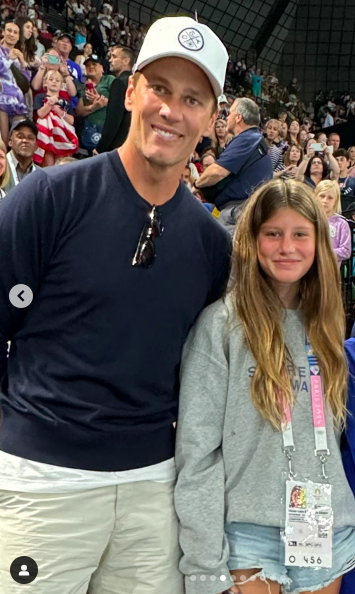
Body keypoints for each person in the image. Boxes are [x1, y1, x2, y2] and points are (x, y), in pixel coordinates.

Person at [0, 15, 231, 594]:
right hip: (41, 482)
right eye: (159, 88)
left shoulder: (211, 246)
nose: (171, 111)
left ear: (209, 119)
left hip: (153, 490)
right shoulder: (48, 198)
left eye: (192, 99)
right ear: (130, 91)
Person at [175, 177, 355, 594]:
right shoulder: (222, 325)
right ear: (252, 241)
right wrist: (204, 565)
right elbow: (196, 452)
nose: (286, 247)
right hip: (247, 533)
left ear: (319, 241)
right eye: (273, 233)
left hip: (325, 527)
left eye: (299, 234)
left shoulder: (327, 326)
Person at [194, 97, 273, 235]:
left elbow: (217, 172)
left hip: (237, 213)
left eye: (230, 113)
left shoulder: (247, 138)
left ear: (238, 117)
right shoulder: (254, 138)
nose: (227, 118)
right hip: (244, 210)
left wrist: (196, 185)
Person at [33, 69, 78, 166]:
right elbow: (40, 114)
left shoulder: (66, 101)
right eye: (51, 79)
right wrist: (50, 104)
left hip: (62, 137)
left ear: (62, 85)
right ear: (45, 82)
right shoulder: (40, 97)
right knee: (48, 164)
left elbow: (71, 120)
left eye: (57, 80)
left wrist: (58, 110)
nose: (54, 82)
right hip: (47, 136)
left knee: (60, 165)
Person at [95, 46, 134, 154]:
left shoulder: (120, 83)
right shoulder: (134, 82)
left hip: (114, 148)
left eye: (114, 57)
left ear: (126, 61)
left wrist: (101, 147)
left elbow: (113, 119)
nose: (110, 60)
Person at [0, 20, 30, 146]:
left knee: (20, 137)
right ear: (3, 32)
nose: (12, 34)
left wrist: (23, 63)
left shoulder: (19, 55)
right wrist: (9, 59)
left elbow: (25, 83)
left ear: (18, 37)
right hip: (3, 98)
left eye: (15, 32)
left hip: (18, 99)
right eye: (9, 31)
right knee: (4, 139)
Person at [76, 54, 114, 153]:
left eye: (94, 64)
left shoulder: (109, 79)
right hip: (90, 129)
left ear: (102, 68)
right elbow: (79, 112)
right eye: (88, 65)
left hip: (107, 127)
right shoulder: (82, 86)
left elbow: (119, 102)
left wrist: (103, 101)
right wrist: (94, 106)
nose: (91, 67)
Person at [315, 180, 352, 266]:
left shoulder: (341, 224)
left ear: (335, 201)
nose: (325, 200)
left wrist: (323, 253)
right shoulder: (308, 220)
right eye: (322, 196)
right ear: (315, 197)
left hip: (330, 271)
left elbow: (346, 251)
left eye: (330, 198)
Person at [3, 119, 38, 193]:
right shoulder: (1, 167)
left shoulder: (41, 174)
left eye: (30, 138)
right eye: (20, 136)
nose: (25, 140)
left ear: (36, 146)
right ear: (10, 142)